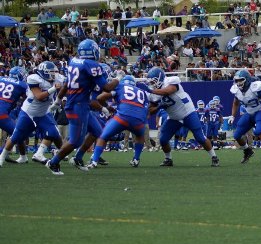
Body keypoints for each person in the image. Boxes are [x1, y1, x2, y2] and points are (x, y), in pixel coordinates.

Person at [46, 39, 120, 175]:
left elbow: (67, 84)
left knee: (98, 131)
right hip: (78, 106)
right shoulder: (91, 64)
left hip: (80, 104)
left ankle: (78, 158)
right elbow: (107, 87)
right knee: (75, 140)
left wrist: (57, 100)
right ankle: (54, 162)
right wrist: (119, 78)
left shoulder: (74, 62)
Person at [146, 67, 219, 167]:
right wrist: (159, 106)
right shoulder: (153, 94)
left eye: (153, 81)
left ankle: (214, 157)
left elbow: (167, 91)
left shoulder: (171, 81)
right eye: (150, 82)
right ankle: (168, 159)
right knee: (163, 139)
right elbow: (151, 110)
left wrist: (154, 93)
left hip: (188, 112)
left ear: (160, 78)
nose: (152, 85)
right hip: (174, 117)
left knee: (200, 138)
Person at [0, 62, 64, 168]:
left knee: (53, 132)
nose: (54, 74)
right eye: (51, 72)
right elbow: (38, 96)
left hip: (43, 112)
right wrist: (54, 89)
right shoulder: (32, 80)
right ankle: (2, 157)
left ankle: (38, 154)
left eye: (54, 72)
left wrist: (57, 101)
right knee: (16, 135)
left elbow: (67, 84)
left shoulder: (2, 79)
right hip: (29, 112)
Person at [88, 76, 149, 168]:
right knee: (140, 136)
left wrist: (108, 107)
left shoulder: (120, 86)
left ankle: (94, 161)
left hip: (122, 117)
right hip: (139, 119)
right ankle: (136, 159)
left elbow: (100, 98)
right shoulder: (142, 92)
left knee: (103, 136)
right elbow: (147, 110)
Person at [229, 69, 261, 164]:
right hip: (249, 113)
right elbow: (235, 103)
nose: (238, 83)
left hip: (260, 111)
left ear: (247, 79)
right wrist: (232, 116)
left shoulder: (255, 87)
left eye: (240, 80)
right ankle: (248, 151)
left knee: (259, 131)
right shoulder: (237, 90)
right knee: (237, 135)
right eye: (237, 80)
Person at [0, 67, 29, 166]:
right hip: (1, 113)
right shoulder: (22, 85)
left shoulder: (1, 78)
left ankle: (23, 156)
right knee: (18, 133)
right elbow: (29, 98)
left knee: (17, 133)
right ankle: (2, 153)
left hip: (3, 111)